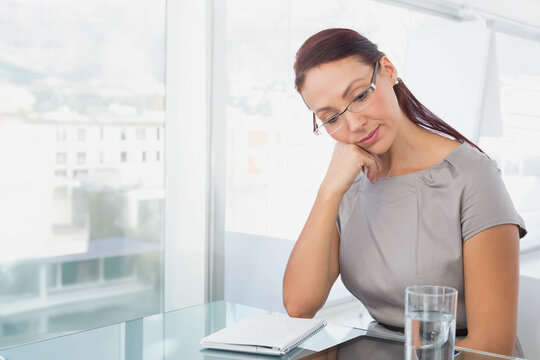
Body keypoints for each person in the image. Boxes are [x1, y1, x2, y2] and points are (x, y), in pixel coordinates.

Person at [282, 28, 527, 357]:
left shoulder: (472, 176)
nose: (354, 125)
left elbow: (492, 345)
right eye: (331, 117)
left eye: (358, 96)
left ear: (388, 71)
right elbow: (299, 306)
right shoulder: (348, 182)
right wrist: (329, 189)